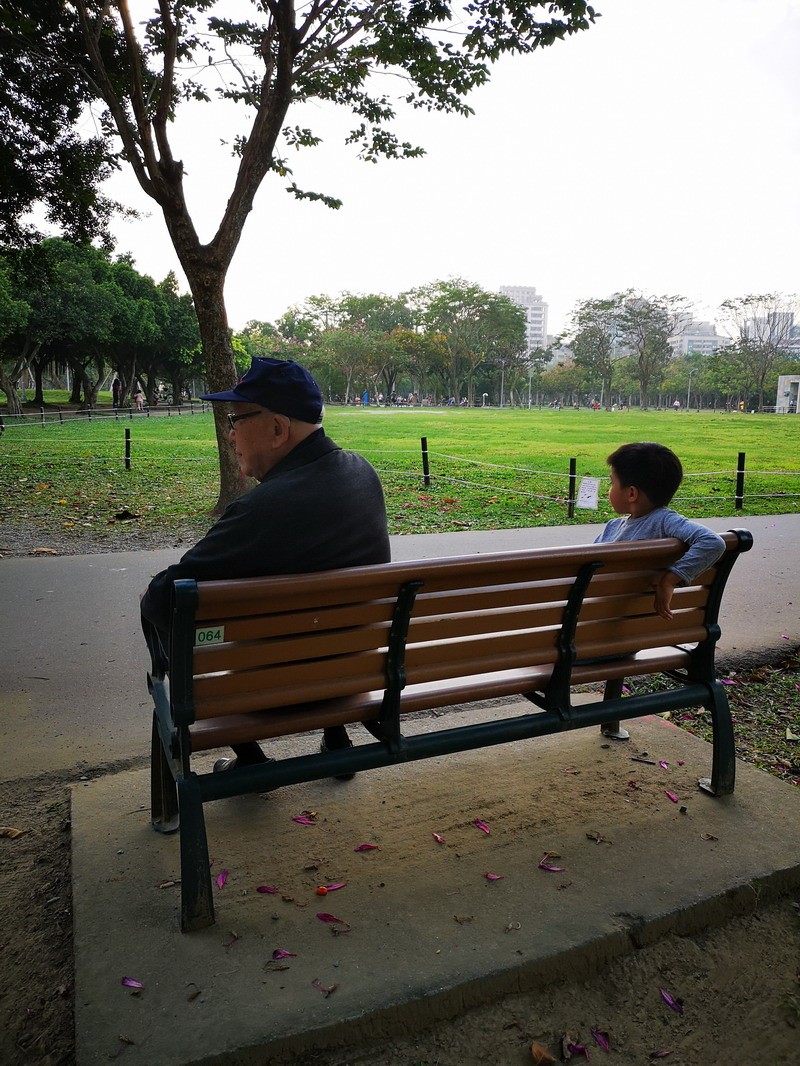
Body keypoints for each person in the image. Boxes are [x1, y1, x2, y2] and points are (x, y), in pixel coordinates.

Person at [141, 357, 391, 774]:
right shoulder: (362, 473)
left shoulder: (262, 509)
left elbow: (164, 598)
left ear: (277, 429)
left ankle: (252, 763)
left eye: (237, 419)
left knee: (164, 607)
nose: (230, 433)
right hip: (354, 674)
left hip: (275, 691)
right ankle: (336, 736)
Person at [595, 442, 725, 621]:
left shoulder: (656, 522)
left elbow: (713, 542)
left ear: (631, 493)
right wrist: (670, 579)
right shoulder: (666, 524)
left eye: (612, 482)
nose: (609, 489)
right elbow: (711, 542)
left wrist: (669, 580)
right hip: (647, 629)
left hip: (598, 626)